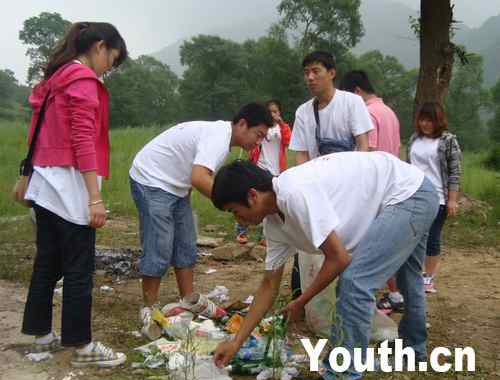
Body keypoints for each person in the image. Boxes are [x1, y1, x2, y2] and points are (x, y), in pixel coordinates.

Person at [211, 154, 439, 380]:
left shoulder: (293, 193)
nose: (237, 220)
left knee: (354, 283)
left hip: (408, 194)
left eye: (234, 211)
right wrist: (236, 342)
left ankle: (342, 376)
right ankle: (413, 350)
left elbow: (339, 259)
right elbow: (268, 285)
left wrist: (301, 301)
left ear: (252, 196)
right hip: (412, 190)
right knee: (408, 276)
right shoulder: (275, 225)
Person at [21, 22, 128, 367]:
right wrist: (94, 198)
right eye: (112, 58)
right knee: (79, 268)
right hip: (69, 187)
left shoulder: (54, 80)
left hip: (44, 184)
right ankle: (82, 347)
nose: (109, 68)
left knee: (47, 264)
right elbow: (83, 138)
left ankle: (41, 338)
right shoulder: (82, 80)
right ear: (99, 46)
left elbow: (34, 134)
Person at [129, 103, 273, 338]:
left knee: (186, 242)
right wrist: (235, 204)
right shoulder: (218, 138)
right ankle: (149, 308)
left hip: (176, 186)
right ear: (242, 124)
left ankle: (188, 300)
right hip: (151, 178)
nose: (257, 142)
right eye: (258, 135)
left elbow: (195, 176)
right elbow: (199, 177)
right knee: (160, 244)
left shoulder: (224, 140)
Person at [289, 51, 373, 301]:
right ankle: (304, 296)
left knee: (351, 239)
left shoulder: (351, 103)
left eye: (316, 71)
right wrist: (304, 187)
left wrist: (356, 182)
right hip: (318, 186)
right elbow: (301, 155)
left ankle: (351, 296)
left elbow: (363, 145)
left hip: (350, 183)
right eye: (306, 73)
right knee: (311, 240)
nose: (310, 78)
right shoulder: (303, 112)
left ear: (332, 73)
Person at [339, 70, 404, 313]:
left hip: (375, 186)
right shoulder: (389, 112)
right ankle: (395, 291)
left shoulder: (366, 112)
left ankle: (390, 294)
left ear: (356, 92)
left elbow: (369, 151)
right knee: (388, 242)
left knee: (369, 243)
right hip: (393, 183)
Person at [407, 102, 462, 293]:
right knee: (412, 235)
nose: (425, 124)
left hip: (437, 196)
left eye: (429, 120)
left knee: (432, 237)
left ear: (438, 120)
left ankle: (428, 277)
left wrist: (452, 199)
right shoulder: (415, 138)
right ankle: (412, 273)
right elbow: (408, 165)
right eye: (422, 119)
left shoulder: (448, 140)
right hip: (412, 193)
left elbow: (454, 172)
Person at [235, 99, 292, 245]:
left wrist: (282, 123)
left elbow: (289, 141)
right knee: (250, 198)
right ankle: (242, 231)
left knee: (268, 203)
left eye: (276, 111)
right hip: (259, 166)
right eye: (270, 111)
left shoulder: (281, 128)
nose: (273, 114)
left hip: (276, 170)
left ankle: (265, 237)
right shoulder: (261, 128)